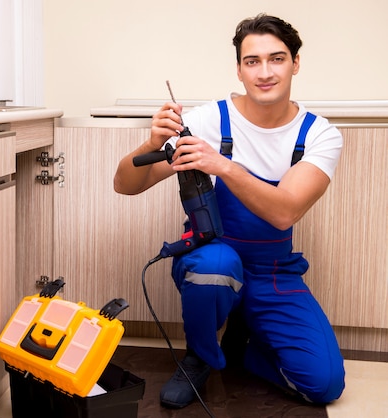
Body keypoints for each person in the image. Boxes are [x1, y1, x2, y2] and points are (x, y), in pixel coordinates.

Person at [113, 13, 345, 408]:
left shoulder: (319, 134)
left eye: (277, 58)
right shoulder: (207, 120)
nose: (265, 72)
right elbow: (126, 184)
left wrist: (222, 165)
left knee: (324, 385)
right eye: (252, 61)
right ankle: (200, 358)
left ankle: (242, 349)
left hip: (273, 271)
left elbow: (284, 212)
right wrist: (148, 143)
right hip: (212, 255)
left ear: (296, 63)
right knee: (216, 266)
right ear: (239, 69)